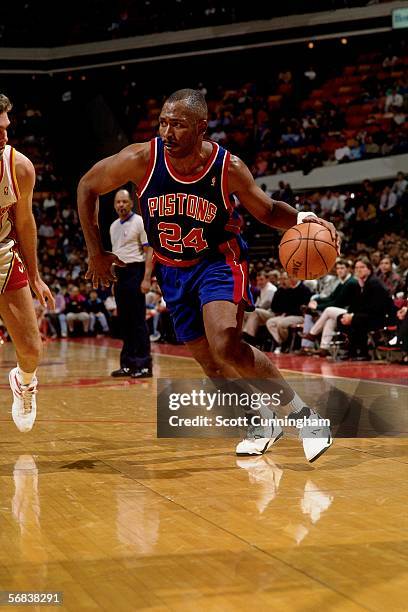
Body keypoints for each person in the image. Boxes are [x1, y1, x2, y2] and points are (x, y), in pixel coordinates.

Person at [78, 88, 339, 462]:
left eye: (179, 125)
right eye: (164, 123)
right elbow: (87, 185)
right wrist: (95, 250)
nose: (167, 132)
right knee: (209, 361)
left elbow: (265, 211)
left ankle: (306, 418)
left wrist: (299, 218)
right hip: (172, 269)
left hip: (217, 261)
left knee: (226, 343)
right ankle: (260, 420)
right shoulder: (141, 158)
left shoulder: (227, 167)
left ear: (201, 128)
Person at [0, 93, 54, 431]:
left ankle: (24, 382)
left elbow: (24, 222)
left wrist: (35, 277)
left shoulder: (18, 166)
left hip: (2, 254)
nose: (4, 134)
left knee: (32, 350)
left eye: (6, 127)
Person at [109, 189, 153, 378]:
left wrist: (146, 277)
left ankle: (143, 364)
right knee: (124, 322)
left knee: (138, 321)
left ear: (131, 203)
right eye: (118, 202)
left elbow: (149, 251)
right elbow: (115, 255)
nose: (121, 205)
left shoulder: (139, 222)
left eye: (125, 202)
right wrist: (113, 280)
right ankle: (127, 363)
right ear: (114, 205)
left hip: (136, 271)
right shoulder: (112, 226)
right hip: (120, 275)